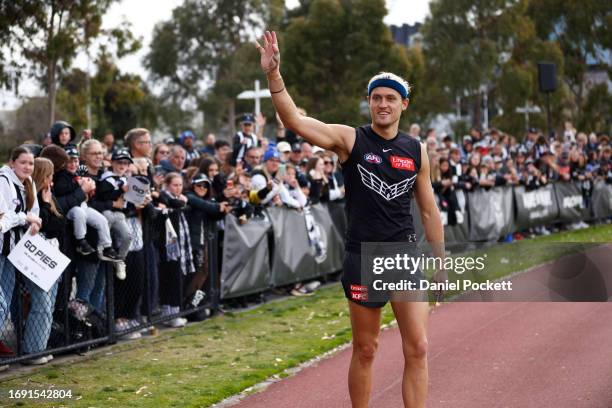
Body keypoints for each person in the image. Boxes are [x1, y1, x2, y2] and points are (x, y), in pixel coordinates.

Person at [256, 31, 444, 408]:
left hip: (404, 257)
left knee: (419, 347)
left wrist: (439, 262)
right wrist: (274, 75)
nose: (383, 104)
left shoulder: (416, 149)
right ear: (369, 103)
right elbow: (294, 119)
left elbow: (428, 210)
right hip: (364, 257)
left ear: (404, 104)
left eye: (391, 98)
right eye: (376, 98)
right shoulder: (350, 139)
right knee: (366, 348)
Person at [0, 147, 43, 362]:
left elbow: (34, 214)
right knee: (1, 300)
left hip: (15, 250)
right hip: (1, 247)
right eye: (23, 162)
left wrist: (33, 223)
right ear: (12, 163)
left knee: (6, 299)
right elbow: (4, 217)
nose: (28, 167)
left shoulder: (29, 183)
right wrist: (25, 218)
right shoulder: (3, 181)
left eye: (31, 163)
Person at [53, 145, 119, 261]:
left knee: (102, 219)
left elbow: (89, 191)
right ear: (64, 162)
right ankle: (81, 242)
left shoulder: (78, 173)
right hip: (70, 209)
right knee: (79, 213)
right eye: (69, 161)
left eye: (75, 160)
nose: (73, 164)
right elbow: (60, 189)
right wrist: (78, 185)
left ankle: (107, 247)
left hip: (81, 205)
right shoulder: (61, 176)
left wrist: (88, 186)